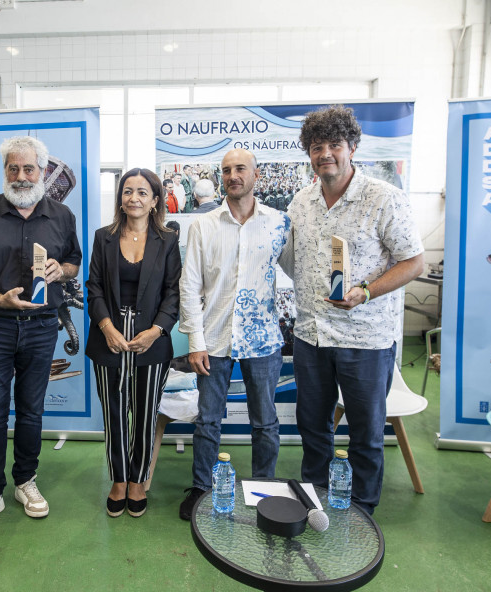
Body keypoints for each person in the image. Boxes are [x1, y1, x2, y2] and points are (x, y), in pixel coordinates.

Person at [280, 105, 424, 514]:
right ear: (308, 153)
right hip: (311, 336)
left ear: (353, 148)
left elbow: (414, 262)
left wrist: (366, 290)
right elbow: (290, 259)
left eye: (335, 144)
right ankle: (315, 499)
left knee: (364, 433)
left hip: (366, 339)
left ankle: (361, 509)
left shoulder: (384, 199)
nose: (325, 153)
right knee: (313, 427)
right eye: (316, 146)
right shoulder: (300, 202)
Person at [0, 136, 82, 533]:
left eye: (29, 169)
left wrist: (63, 270)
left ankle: (25, 480)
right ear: (5, 171)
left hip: (42, 328)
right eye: (14, 168)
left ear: (42, 171)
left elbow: (75, 262)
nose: (21, 176)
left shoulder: (62, 216)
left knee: (31, 410)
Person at [178, 148, 291, 520]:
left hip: (262, 340)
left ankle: (265, 492)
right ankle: (202, 488)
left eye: (240, 168)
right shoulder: (203, 226)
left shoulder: (278, 223)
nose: (233, 175)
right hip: (215, 339)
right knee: (208, 420)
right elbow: (189, 286)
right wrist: (196, 342)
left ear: (256, 175)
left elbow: (300, 270)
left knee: (265, 422)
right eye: (226, 170)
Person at [85, 168, 181, 518]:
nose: (134, 198)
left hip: (150, 339)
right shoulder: (103, 236)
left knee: (143, 413)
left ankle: (138, 479)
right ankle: (119, 478)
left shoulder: (168, 239)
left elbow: (174, 292)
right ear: (120, 198)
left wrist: (156, 330)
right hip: (108, 337)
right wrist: (107, 327)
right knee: (114, 414)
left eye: (143, 192)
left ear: (155, 200)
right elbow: (93, 286)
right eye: (128, 191)